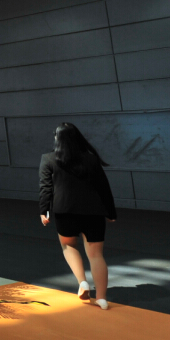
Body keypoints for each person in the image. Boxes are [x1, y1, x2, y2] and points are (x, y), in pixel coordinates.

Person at [39, 122, 116, 309]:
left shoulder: (48, 159)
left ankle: (82, 282)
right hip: (93, 212)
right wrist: (110, 212)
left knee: (68, 246)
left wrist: (44, 211)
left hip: (65, 211)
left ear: (57, 139)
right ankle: (102, 298)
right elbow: (103, 187)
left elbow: (45, 188)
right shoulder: (91, 159)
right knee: (96, 255)